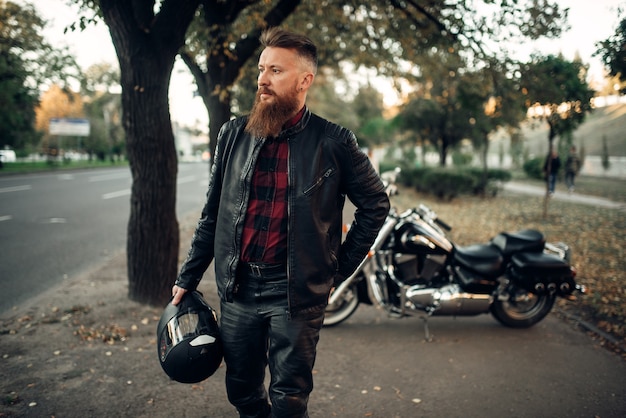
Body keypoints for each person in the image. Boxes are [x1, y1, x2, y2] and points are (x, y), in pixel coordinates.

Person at [171, 27, 390, 418]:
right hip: (238, 289)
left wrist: (335, 271)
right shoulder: (233, 135)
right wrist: (186, 278)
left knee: (289, 400)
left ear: (304, 80)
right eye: (261, 69)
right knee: (242, 391)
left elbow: (375, 204)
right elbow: (212, 214)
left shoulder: (334, 142)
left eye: (275, 70)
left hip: (295, 294)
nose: (262, 80)